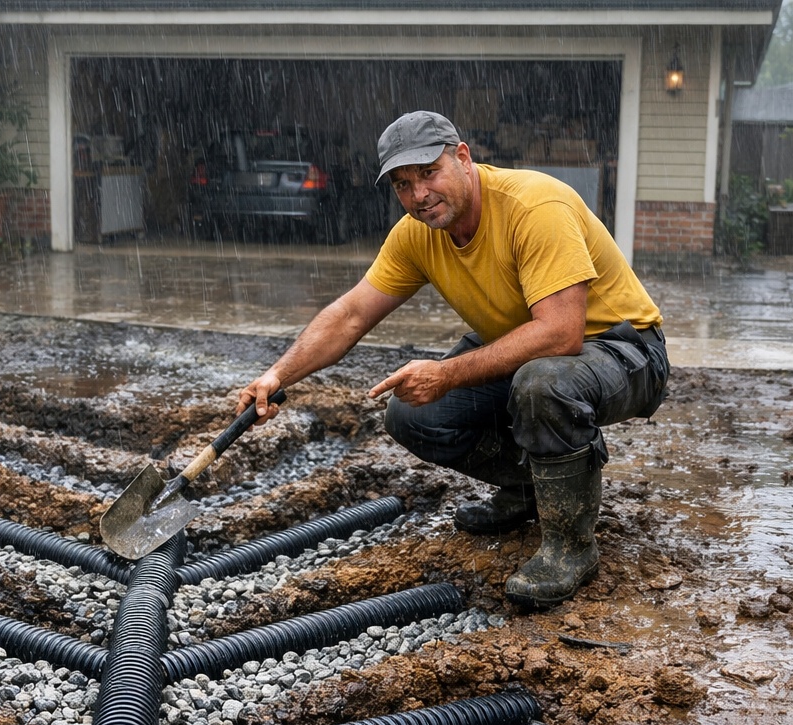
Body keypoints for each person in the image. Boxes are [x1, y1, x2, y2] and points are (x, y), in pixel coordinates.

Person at [236, 110, 668, 609]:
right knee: (414, 413)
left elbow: (561, 333)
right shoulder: (416, 234)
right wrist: (276, 374)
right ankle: (532, 490)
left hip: (624, 348)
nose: (418, 195)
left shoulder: (534, 205)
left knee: (544, 384)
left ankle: (571, 546)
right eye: (402, 183)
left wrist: (445, 373)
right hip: (530, 349)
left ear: (462, 157)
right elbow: (351, 315)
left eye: (428, 173)